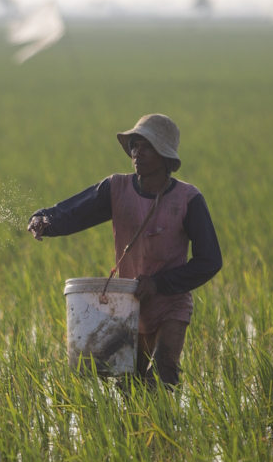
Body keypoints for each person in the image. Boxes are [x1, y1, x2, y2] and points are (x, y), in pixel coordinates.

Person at [28, 114, 222, 388]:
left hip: (171, 306)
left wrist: (159, 284)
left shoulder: (188, 200)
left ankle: (167, 427)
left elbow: (210, 260)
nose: (136, 153)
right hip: (129, 306)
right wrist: (45, 219)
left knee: (161, 377)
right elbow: (75, 211)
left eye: (146, 147)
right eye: (134, 145)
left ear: (164, 155)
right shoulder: (116, 188)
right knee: (130, 386)